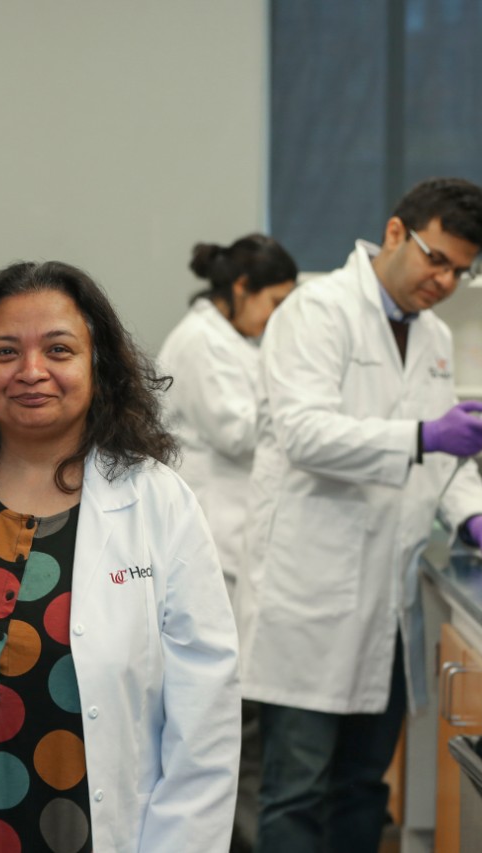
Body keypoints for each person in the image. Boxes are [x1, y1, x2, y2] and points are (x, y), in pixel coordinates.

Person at [0, 261, 241, 852]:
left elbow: (204, 719)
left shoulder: (160, 504)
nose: (31, 371)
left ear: (97, 363)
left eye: (59, 349)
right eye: (5, 352)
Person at [238, 178, 482, 853]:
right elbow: (305, 434)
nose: (445, 281)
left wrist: (473, 516)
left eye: (460, 271)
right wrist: (425, 435)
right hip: (310, 600)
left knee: (364, 789)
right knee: (297, 793)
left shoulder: (435, 336)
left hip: (386, 607)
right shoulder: (317, 311)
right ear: (396, 233)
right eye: (436, 259)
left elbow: (448, 454)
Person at [156, 233, 297, 853]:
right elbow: (239, 434)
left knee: (239, 708)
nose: (278, 318)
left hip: (240, 537)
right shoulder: (199, 342)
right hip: (214, 538)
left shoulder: (235, 340)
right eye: (275, 302)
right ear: (240, 288)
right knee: (219, 708)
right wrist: (298, 405)